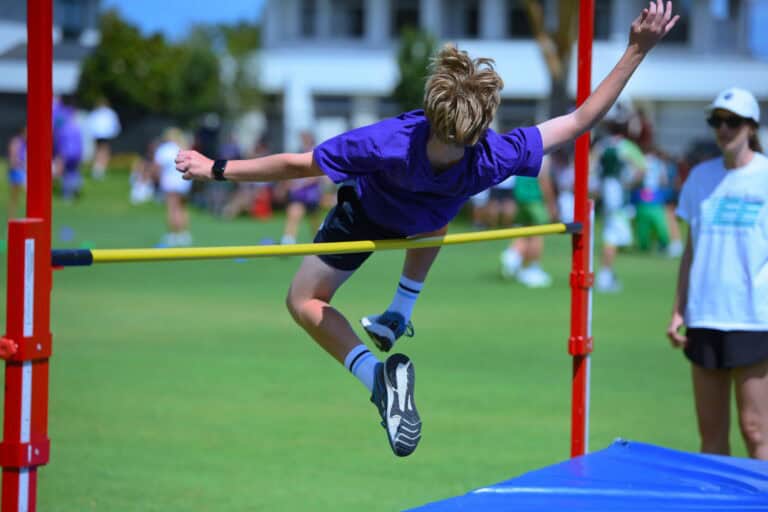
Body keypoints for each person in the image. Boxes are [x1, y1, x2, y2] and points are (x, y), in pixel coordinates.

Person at [176, 2, 678, 458]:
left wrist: (215, 167)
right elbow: (581, 119)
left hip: (365, 216)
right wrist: (638, 49)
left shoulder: (388, 140)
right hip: (425, 222)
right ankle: (400, 311)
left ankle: (376, 378)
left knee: (304, 301)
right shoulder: (491, 156)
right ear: (481, 121)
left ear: (432, 105)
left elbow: (295, 164)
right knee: (437, 213)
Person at [666, 87, 768, 460]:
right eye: (716, 121)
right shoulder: (700, 177)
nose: (723, 129)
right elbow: (692, 249)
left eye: (732, 122)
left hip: (754, 317)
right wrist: (679, 310)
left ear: (751, 126)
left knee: (756, 431)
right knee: (710, 440)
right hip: (705, 315)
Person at [593, 101, 646, 292]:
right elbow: (641, 169)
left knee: (612, 235)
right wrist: (629, 183)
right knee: (612, 237)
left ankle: (607, 273)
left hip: (607, 195)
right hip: (618, 196)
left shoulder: (602, 146)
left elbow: (591, 169)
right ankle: (605, 276)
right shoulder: (626, 147)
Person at [280, 131, 326, 244]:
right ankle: (288, 240)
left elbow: (317, 176)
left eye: (305, 138)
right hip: (299, 193)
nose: (303, 141)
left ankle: (319, 242)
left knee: (314, 220)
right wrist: (289, 184)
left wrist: (298, 184)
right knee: (293, 214)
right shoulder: (299, 153)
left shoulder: (316, 153)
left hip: (311, 193)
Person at [157, 128, 193, 247]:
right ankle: (184, 234)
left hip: (170, 183)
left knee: (172, 208)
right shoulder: (182, 147)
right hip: (184, 182)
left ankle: (173, 234)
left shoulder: (165, 148)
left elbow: (158, 166)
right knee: (182, 208)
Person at [87, 98, 121, 180]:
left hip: (103, 134)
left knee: (101, 151)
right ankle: (99, 169)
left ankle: (99, 168)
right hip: (101, 134)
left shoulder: (103, 112)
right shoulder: (103, 112)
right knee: (102, 151)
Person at [7, 125, 26, 219]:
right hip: (16, 170)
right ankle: (11, 217)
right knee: (17, 196)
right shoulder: (16, 141)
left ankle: (12, 217)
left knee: (15, 196)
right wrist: (20, 165)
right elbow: (13, 158)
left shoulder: (26, 143)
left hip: (21, 170)